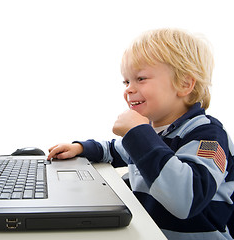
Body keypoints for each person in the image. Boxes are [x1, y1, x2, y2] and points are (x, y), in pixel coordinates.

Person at [47, 28, 234, 240]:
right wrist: (81, 148)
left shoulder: (209, 136)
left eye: (141, 79)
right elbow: (115, 150)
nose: (128, 89)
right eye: (126, 82)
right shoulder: (155, 131)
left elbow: (187, 199)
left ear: (184, 84)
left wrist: (138, 133)